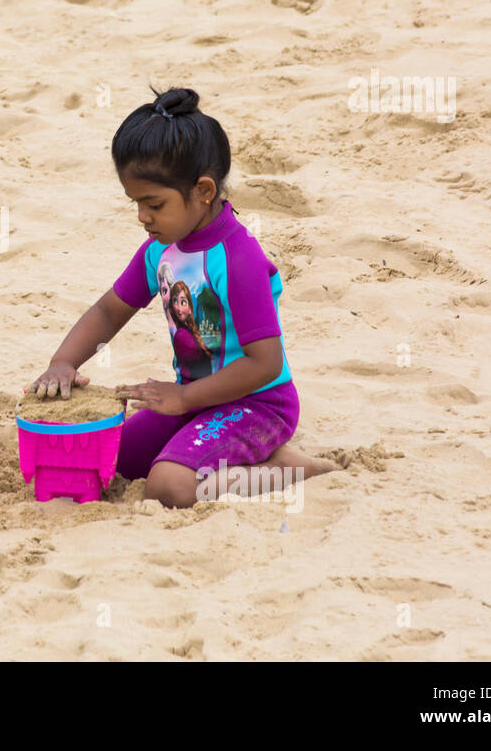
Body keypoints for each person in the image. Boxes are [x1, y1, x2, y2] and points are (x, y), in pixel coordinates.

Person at [24, 86, 335, 508]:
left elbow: (266, 364)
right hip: (195, 400)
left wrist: (184, 397)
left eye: (154, 203)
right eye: (135, 203)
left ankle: (287, 469)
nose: (142, 217)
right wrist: (63, 362)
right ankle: (236, 455)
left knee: (167, 487)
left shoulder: (238, 259)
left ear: (204, 190)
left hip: (257, 406)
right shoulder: (160, 249)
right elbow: (108, 310)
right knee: (112, 458)